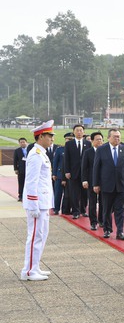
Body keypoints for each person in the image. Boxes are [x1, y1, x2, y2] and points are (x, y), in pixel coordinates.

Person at [20, 120, 55, 281]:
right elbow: (31, 181)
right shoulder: (35, 154)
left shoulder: (42, 154)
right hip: (37, 203)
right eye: (50, 135)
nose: (52, 138)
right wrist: (33, 204)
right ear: (41, 136)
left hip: (43, 202)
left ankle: (35, 266)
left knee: (41, 235)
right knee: (34, 236)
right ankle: (28, 271)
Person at [92, 128, 124, 240]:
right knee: (107, 209)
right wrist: (96, 184)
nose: (117, 138)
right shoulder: (101, 149)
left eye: (118, 136)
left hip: (121, 185)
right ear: (108, 137)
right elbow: (96, 167)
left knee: (120, 210)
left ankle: (120, 231)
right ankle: (107, 229)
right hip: (106, 184)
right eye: (115, 136)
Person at [64, 124, 90, 219]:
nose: (79, 132)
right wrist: (67, 171)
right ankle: (75, 211)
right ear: (74, 132)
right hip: (73, 172)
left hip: (85, 173)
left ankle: (83, 210)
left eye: (81, 130)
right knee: (74, 193)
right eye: (77, 130)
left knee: (85, 193)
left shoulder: (88, 143)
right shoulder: (69, 144)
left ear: (84, 132)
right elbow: (66, 159)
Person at [81, 131, 103, 230]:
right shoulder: (88, 152)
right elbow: (84, 167)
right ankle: (93, 222)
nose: (100, 141)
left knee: (103, 202)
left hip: (103, 181)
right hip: (91, 181)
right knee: (92, 202)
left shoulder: (105, 151)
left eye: (101, 139)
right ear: (93, 141)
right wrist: (84, 180)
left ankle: (102, 220)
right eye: (97, 139)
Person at [52, 132, 73, 215]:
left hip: (70, 176)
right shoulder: (60, 149)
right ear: (65, 140)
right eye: (68, 139)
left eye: (71, 140)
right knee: (58, 193)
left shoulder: (74, 150)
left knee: (69, 195)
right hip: (60, 175)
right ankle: (56, 208)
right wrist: (54, 173)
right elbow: (55, 162)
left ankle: (66, 209)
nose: (69, 141)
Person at [13, 137, 28, 201]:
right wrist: (15, 169)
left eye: (23, 142)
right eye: (21, 142)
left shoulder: (30, 149)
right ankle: (20, 196)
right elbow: (15, 160)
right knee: (21, 183)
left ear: (26, 142)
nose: (22, 143)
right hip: (21, 169)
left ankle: (27, 196)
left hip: (29, 169)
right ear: (19, 143)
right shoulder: (17, 151)